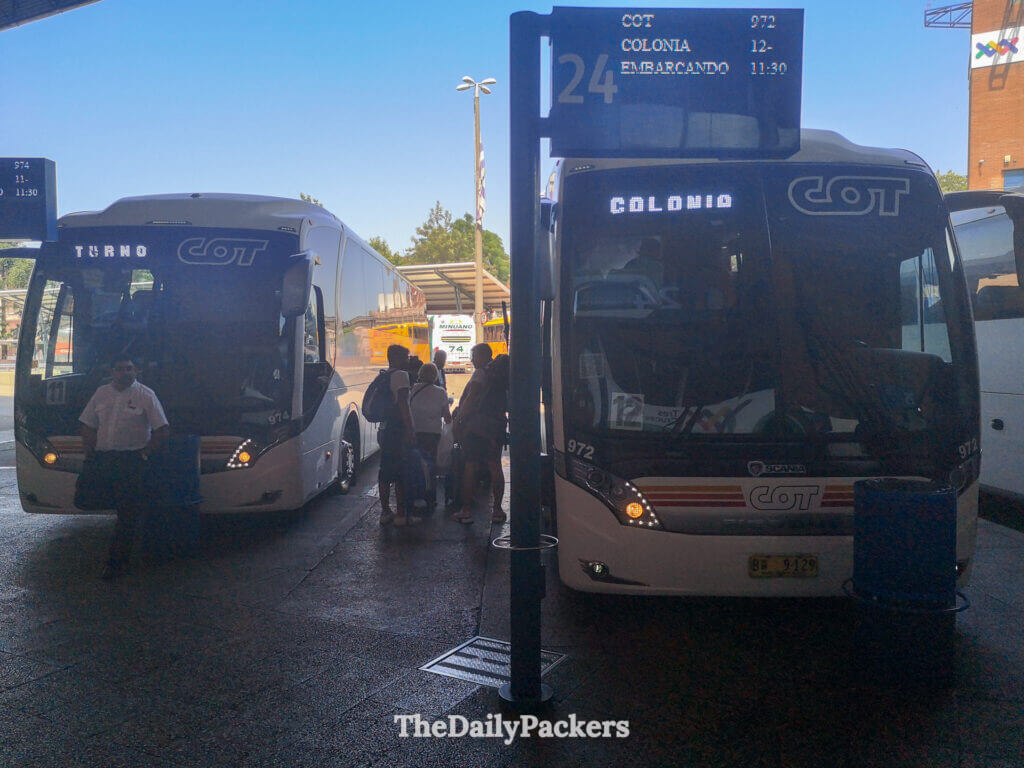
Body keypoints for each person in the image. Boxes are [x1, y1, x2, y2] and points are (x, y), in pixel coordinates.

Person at [79, 356, 169, 579]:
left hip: (131, 462)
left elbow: (162, 430)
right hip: (103, 460)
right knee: (87, 501)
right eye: (120, 369)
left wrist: (145, 453)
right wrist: (89, 452)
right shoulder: (101, 393)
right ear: (111, 372)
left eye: (129, 368)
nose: (125, 373)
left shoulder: (146, 395)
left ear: (136, 371)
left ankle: (116, 563)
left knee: (127, 513)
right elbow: (88, 425)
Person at [453, 343, 507, 525]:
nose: (472, 359)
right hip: (496, 424)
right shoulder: (497, 375)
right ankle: (498, 510)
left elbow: (471, 398)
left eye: (474, 355)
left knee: (471, 466)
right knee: (495, 466)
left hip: (477, 427)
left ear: (483, 355)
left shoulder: (481, 373)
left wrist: (458, 419)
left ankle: (466, 511)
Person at [378, 344, 419, 526]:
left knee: (385, 472)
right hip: (398, 431)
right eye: (407, 357)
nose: (409, 360)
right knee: (401, 472)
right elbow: (404, 406)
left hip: (385, 429)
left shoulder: (385, 375)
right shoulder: (401, 376)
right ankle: (402, 514)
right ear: (396, 358)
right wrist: (411, 431)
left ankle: (386, 511)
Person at [409, 363, 452, 511]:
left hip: (415, 433)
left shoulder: (412, 389)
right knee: (431, 466)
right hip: (433, 434)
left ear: (420, 374)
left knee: (416, 464)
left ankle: (415, 496)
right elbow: (447, 417)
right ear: (435, 376)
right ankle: (430, 499)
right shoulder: (441, 392)